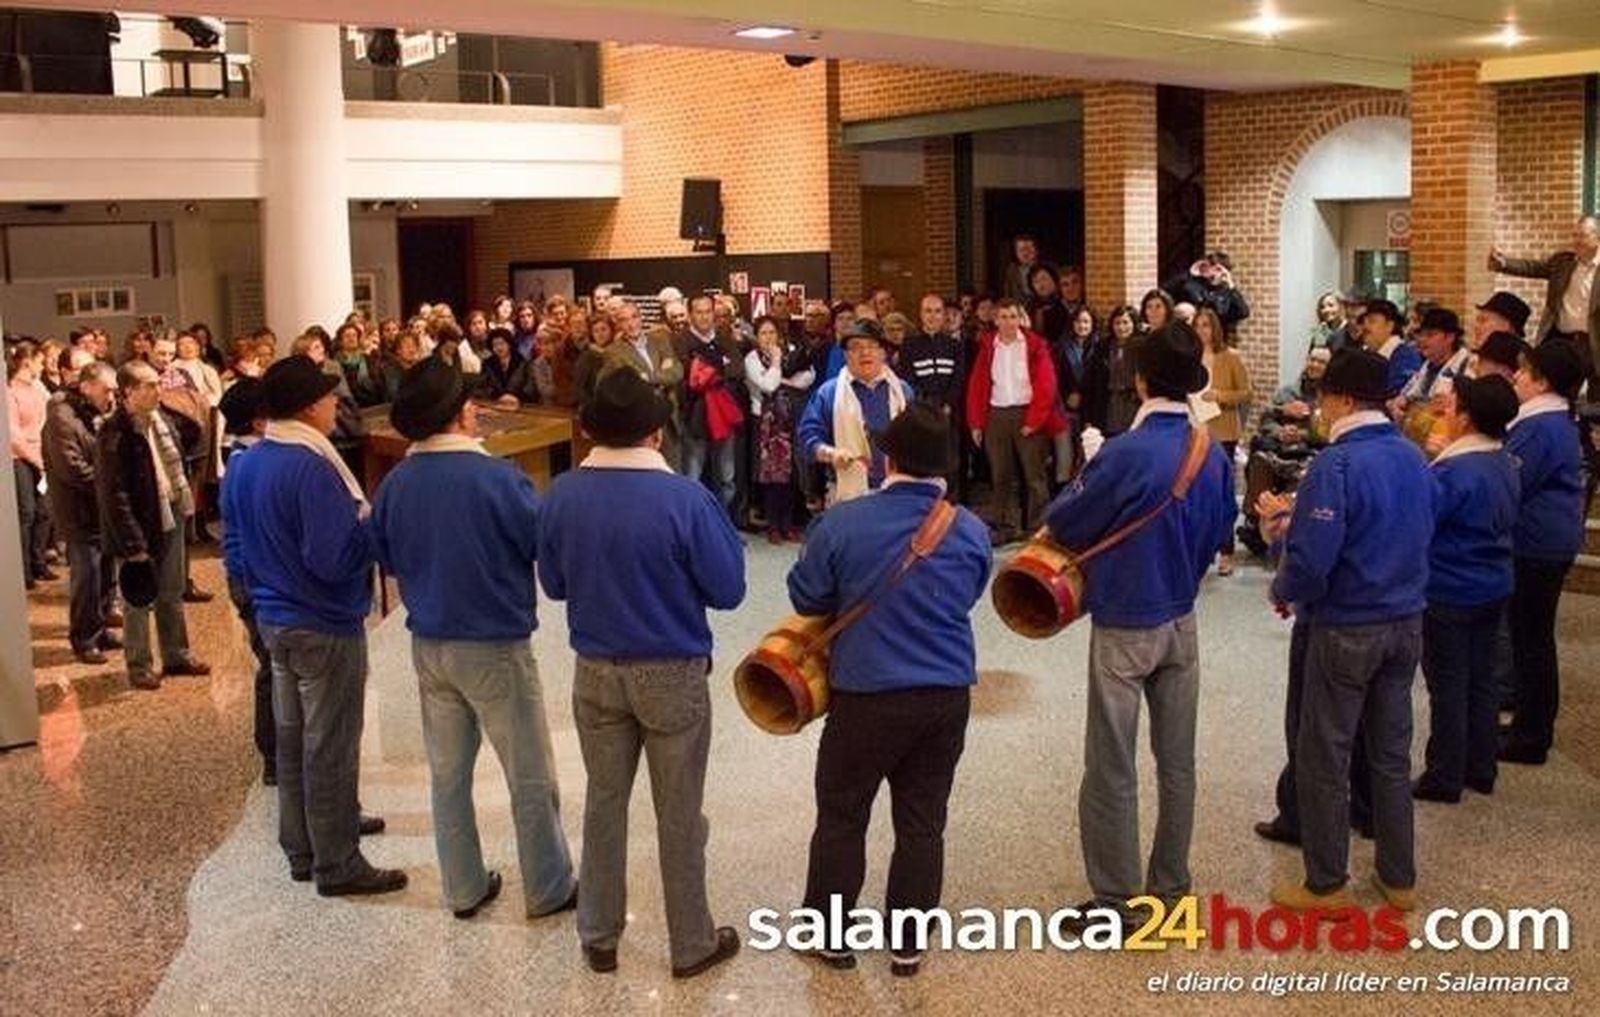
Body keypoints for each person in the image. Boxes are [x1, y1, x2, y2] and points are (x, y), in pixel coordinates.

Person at [537, 369, 745, 978]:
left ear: (589, 430)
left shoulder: (564, 495)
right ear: (657, 433)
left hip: (595, 669)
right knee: (679, 812)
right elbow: (729, 589)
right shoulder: (685, 499)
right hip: (671, 670)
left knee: (604, 804)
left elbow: (552, 584)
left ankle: (599, 935)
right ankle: (691, 943)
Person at [786, 403, 991, 976]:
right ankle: (907, 944)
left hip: (865, 694)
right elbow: (971, 592)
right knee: (923, 819)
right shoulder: (970, 531)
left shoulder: (843, 522)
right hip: (945, 696)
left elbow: (808, 598)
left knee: (843, 812)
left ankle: (831, 936)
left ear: (888, 459)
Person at [372, 359, 578, 921]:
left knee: (447, 776)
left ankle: (462, 888)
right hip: (494, 644)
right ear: (462, 414)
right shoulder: (498, 477)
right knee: (529, 772)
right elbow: (539, 543)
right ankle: (548, 884)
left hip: (429, 644)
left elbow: (385, 556)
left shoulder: (396, 483)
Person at [1044, 323, 1234, 931]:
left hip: (1126, 619)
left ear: (1141, 380)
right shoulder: (1214, 452)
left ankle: (1118, 903)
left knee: (1111, 762)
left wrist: (1090, 467)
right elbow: (1218, 534)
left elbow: (1065, 522)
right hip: (1183, 618)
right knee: (1177, 763)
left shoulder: (1124, 451)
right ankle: (1173, 886)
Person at [221, 356, 403, 896]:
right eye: (328, 398)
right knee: (331, 744)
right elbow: (333, 557)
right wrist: (373, 529)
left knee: (296, 739)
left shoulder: (251, 462)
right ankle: (338, 862)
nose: (335, 405)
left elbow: (244, 542)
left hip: (276, 617)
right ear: (307, 408)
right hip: (321, 622)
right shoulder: (310, 466)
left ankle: (304, 845)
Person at [1263, 348, 1432, 914]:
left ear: (1338, 398)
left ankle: (1327, 883)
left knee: (1326, 754)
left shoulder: (1334, 465)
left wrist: (1283, 585)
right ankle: (1398, 877)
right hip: (1406, 621)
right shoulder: (1413, 456)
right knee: (1389, 754)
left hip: (1346, 626)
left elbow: (1312, 561)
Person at [1415, 375, 1520, 802]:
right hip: (1493, 583)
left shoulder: (1455, 471)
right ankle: (1481, 766)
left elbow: (1424, 522)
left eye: (1452, 406)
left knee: (1449, 683)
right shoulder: (1505, 461)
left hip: (1451, 586)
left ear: (1467, 417)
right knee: (1482, 680)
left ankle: (1444, 775)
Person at [94, 361, 210, 689]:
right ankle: (139, 664)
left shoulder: (162, 420)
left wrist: (163, 405)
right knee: (138, 597)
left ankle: (176, 654)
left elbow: (195, 430)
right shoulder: (113, 432)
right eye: (149, 385)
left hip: (169, 511)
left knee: (171, 591)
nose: (158, 390)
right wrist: (133, 544)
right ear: (128, 392)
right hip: (139, 522)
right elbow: (113, 494)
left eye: (158, 383)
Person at [1499, 341, 1586, 765]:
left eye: (1523, 371)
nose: (1515, 377)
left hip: (1538, 545)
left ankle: (1532, 733)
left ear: (1544, 380)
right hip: (1543, 542)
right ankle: (1528, 724)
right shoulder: (1546, 420)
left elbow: (1513, 482)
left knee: (1532, 640)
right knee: (1529, 637)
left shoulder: (1542, 425)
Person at [965, 298, 1065, 545]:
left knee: (1035, 476)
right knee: (1000, 475)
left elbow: (1046, 385)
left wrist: (1034, 420)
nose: (1009, 322)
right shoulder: (989, 346)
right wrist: (976, 423)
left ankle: (1037, 526)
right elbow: (977, 385)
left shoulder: (1035, 345)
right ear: (995, 320)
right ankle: (1005, 526)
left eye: (1013, 316)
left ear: (1020, 319)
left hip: (1028, 414)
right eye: (1003, 317)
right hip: (997, 415)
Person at [217, 377, 277, 786]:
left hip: (250, 578)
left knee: (272, 665)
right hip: (254, 581)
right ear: (259, 421)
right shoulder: (247, 466)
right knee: (272, 668)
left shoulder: (242, 460)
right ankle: (273, 753)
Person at [42, 362, 121, 663]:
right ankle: (84, 638)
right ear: (87, 386)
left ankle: (99, 630)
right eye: (107, 390)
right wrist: (107, 484)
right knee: (86, 576)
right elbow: (70, 467)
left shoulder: (92, 411)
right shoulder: (61, 417)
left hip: (97, 506)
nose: (111, 396)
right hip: (78, 509)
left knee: (103, 573)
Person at [798, 320, 913, 506]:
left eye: (872, 346)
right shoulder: (829, 393)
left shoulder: (903, 391)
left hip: (897, 489)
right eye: (856, 347)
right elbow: (806, 437)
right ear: (845, 354)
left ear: (884, 353)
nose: (865, 352)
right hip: (846, 492)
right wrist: (830, 453)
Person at [1490, 214, 1600, 381]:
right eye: (1575, 235)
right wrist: (1504, 263)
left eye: (1583, 235)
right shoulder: (1563, 262)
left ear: (1597, 238)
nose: (1577, 241)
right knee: (1557, 388)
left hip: (1592, 342)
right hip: (1561, 339)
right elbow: (1534, 268)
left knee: (1595, 394)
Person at [744, 315, 813, 543]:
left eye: (772, 332)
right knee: (772, 476)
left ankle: (790, 523)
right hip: (765, 423)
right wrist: (776, 364)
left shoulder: (789, 350)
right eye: (763, 333)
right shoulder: (752, 359)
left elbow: (807, 377)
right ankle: (774, 525)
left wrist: (786, 380)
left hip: (789, 419)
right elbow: (768, 384)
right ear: (756, 336)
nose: (768, 337)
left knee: (791, 474)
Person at [1193, 306, 1252, 575]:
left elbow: (1245, 393)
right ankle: (1201, 549)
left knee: (1222, 492)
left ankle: (1226, 550)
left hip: (1223, 431)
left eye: (1206, 325)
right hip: (1195, 429)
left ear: (1214, 328)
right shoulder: (1190, 358)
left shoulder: (1229, 357)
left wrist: (1220, 395)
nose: (1201, 330)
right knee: (1197, 492)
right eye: (1198, 325)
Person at [676, 294, 743, 516]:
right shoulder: (680, 342)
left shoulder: (725, 339)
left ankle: (722, 525)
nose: (704, 317)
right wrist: (719, 365)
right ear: (690, 315)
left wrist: (707, 370)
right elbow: (686, 377)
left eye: (708, 311)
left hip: (723, 417)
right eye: (699, 312)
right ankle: (692, 530)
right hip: (694, 419)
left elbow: (737, 370)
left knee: (727, 478)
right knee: (692, 478)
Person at [900, 292, 966, 497]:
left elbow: (959, 378)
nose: (933, 316)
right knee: (925, 462)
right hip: (922, 413)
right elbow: (908, 379)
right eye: (928, 311)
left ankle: (951, 506)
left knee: (951, 460)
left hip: (949, 413)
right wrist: (926, 406)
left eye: (937, 311)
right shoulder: (909, 345)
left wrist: (947, 404)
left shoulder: (955, 346)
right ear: (920, 314)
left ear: (944, 315)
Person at [608, 299, 684, 469]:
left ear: (641, 318)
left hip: (668, 419)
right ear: (618, 324)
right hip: (641, 423)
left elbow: (677, 372)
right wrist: (662, 372)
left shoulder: (660, 340)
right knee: (647, 474)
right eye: (624, 320)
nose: (631, 323)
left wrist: (649, 377)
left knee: (673, 473)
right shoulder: (614, 351)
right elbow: (632, 380)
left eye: (634, 317)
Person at [8, 342, 55, 589]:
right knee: (27, 513)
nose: (43, 365)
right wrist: (36, 460)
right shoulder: (9, 391)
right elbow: (14, 436)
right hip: (20, 458)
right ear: (27, 362)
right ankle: (24, 570)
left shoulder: (38, 387)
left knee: (44, 511)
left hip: (41, 454)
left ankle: (39, 563)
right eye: (39, 361)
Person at [1164, 251, 1250, 334]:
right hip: (1191, 335)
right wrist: (1189, 273)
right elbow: (1166, 288)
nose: (1208, 269)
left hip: (1216, 337)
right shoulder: (1193, 283)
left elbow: (1243, 312)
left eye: (1214, 267)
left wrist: (1231, 285)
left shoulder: (1227, 292)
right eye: (1206, 265)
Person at [1359, 298, 1422, 398]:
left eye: (1372, 321)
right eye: (1363, 321)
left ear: (1389, 326)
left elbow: (1397, 394)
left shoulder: (1406, 356)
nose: (1365, 326)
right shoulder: (1362, 354)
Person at [475, 327, 524, 403]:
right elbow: (481, 388)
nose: (499, 348)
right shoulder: (488, 363)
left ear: (509, 344)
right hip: (495, 404)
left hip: (520, 405)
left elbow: (529, 388)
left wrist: (517, 398)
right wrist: (497, 396)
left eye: (502, 343)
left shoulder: (521, 361)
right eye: (495, 345)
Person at [1003, 234, 1040, 308]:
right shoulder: (1011, 270)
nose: (1025, 253)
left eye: (1029, 249)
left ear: (1036, 251)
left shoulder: (1045, 268)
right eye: (1021, 249)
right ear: (1016, 252)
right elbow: (1008, 294)